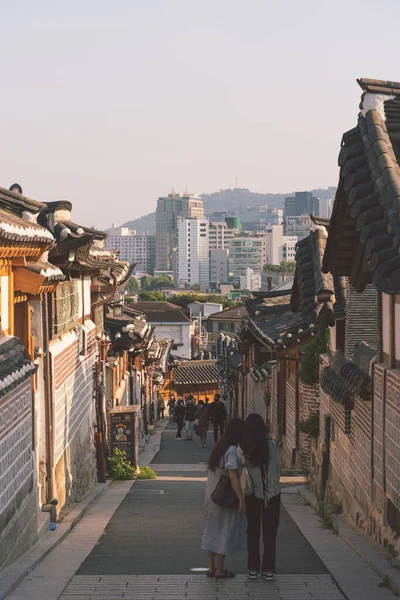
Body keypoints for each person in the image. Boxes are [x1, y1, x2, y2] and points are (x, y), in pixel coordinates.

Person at [201, 418, 247, 579]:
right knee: (224, 531)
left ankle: (211, 568)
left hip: (211, 495)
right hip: (224, 498)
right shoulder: (232, 450)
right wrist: (241, 499)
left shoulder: (219, 447)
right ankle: (220, 570)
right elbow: (233, 476)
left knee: (212, 530)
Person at [241, 413, 281, 582]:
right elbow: (277, 468)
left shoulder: (243, 449)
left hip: (252, 496)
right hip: (272, 495)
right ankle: (269, 569)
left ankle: (253, 568)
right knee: (270, 534)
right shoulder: (272, 446)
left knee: (253, 532)